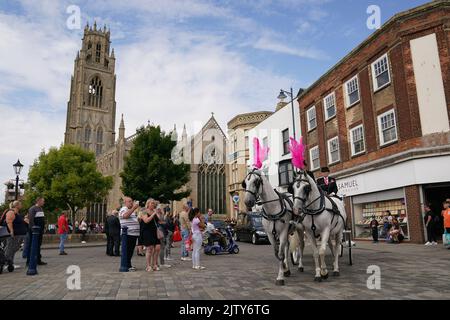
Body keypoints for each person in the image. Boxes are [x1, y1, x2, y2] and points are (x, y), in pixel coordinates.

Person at [2, 201, 28, 270]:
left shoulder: (17, 213)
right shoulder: (11, 212)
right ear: (16, 205)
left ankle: (10, 262)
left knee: (14, 248)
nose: (21, 205)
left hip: (19, 234)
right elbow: (9, 221)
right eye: (20, 204)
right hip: (14, 234)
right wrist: (11, 231)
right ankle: (6, 263)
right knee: (10, 248)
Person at [119, 197, 140, 272]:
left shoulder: (132, 211)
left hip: (133, 234)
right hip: (128, 234)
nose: (132, 203)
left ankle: (128, 265)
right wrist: (134, 208)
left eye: (132, 201)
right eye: (130, 201)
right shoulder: (124, 209)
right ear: (125, 202)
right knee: (127, 250)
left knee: (130, 251)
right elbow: (125, 216)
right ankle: (126, 265)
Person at [141, 199, 161, 272]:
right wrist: (153, 214)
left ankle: (155, 264)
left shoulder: (154, 211)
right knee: (150, 248)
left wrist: (158, 213)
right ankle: (148, 266)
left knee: (158, 248)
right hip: (147, 232)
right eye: (152, 203)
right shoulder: (144, 211)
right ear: (148, 204)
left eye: (154, 203)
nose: (153, 205)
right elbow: (146, 221)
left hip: (155, 232)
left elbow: (160, 220)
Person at [26, 197, 47, 266]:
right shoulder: (32, 209)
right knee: (32, 245)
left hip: (40, 230)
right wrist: (33, 230)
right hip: (34, 231)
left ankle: (38, 260)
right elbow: (31, 220)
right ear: (38, 201)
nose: (44, 202)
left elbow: (41, 220)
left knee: (38, 245)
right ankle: (29, 261)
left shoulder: (41, 209)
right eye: (43, 201)